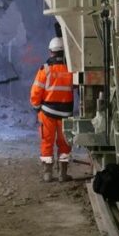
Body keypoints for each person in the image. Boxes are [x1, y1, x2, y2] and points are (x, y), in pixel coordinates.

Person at [30, 37, 75, 182]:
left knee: (46, 141)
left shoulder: (45, 69)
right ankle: (63, 173)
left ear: (51, 52)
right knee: (65, 143)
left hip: (47, 112)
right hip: (66, 113)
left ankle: (47, 173)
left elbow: (36, 91)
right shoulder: (71, 69)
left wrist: (36, 107)